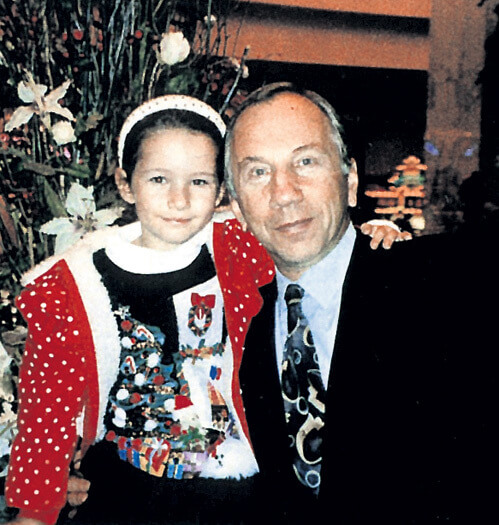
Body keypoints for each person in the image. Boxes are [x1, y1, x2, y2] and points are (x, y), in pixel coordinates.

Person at [3, 94, 404, 525]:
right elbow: (46, 415)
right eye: (159, 179)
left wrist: (372, 232)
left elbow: (308, 239)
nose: (179, 200)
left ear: (221, 191)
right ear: (125, 183)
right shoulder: (73, 285)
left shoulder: (236, 247)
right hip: (130, 491)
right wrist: (36, 509)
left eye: (199, 182)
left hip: (239, 495)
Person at [224, 82, 493, 524]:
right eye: (257, 172)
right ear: (236, 207)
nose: (284, 192)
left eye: (305, 161)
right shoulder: (238, 329)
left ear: (350, 181)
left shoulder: (447, 289)